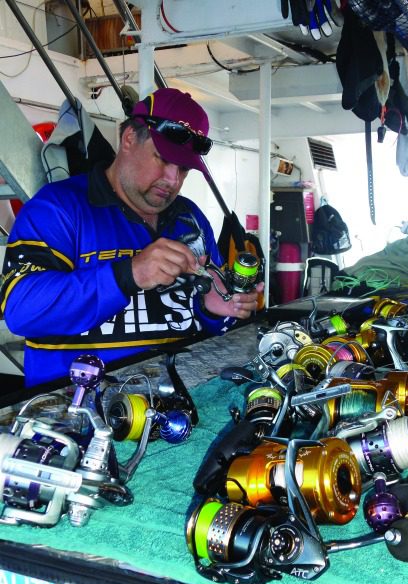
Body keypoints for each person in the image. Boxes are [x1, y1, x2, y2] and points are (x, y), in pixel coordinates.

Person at [0, 88, 263, 387]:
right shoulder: (57, 208)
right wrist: (128, 274)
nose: (172, 180)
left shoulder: (191, 218)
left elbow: (210, 322)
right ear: (128, 139)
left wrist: (214, 310)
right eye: (163, 160)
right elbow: (20, 311)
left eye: (184, 169)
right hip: (78, 414)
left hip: (178, 405)